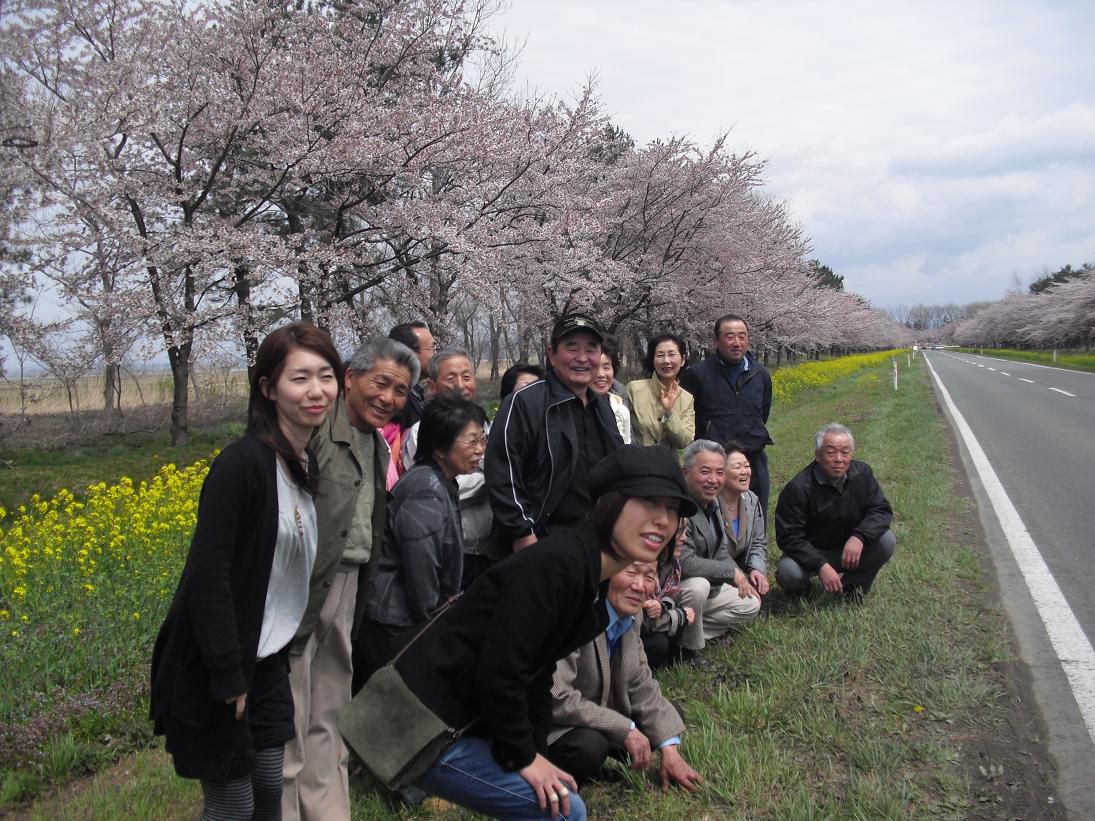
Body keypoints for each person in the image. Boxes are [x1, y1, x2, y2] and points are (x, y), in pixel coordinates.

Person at [375, 445, 698, 821]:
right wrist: (523, 757)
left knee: (555, 796)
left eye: (673, 510)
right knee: (565, 811)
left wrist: (537, 754)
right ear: (610, 503)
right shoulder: (560, 565)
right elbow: (502, 669)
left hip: (461, 720)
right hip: (422, 726)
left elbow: (536, 671)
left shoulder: (586, 574)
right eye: (649, 501)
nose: (663, 519)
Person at [150, 323, 341, 821]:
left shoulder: (302, 462)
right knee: (232, 803)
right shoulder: (241, 466)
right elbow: (208, 577)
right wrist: (228, 674)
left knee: (268, 786)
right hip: (219, 665)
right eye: (300, 378)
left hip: (266, 661)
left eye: (326, 375)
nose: (316, 390)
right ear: (268, 387)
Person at [283, 336, 417, 821]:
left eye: (400, 391)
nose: (388, 398)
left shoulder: (377, 444)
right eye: (380, 383)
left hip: (349, 582)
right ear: (349, 378)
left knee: (330, 707)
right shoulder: (317, 427)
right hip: (304, 584)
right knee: (290, 712)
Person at [358, 394, 488, 678]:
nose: (479, 450)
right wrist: (431, 622)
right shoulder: (425, 489)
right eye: (471, 441)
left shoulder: (440, 480)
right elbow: (421, 566)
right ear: (440, 448)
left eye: (482, 440)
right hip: (394, 619)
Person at [548, 560, 702, 792]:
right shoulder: (576, 614)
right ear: (607, 573)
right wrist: (625, 728)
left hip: (603, 715)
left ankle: (624, 754)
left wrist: (669, 748)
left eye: (649, 576)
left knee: (669, 717)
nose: (639, 585)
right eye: (630, 572)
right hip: (558, 724)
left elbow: (641, 683)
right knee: (590, 747)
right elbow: (557, 698)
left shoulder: (632, 616)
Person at [485, 313, 624, 557]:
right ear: (552, 354)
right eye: (572, 348)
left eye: (591, 350)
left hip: (592, 539)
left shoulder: (602, 407)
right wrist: (522, 534)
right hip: (539, 539)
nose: (582, 358)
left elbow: (617, 467)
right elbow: (502, 471)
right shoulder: (524, 402)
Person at [402, 348, 495, 589]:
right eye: (451, 378)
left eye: (467, 376)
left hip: (487, 547)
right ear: (432, 385)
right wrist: (494, 483)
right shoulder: (423, 431)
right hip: (450, 547)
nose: (461, 385)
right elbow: (443, 488)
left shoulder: (489, 425)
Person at [775, 423, 896, 602]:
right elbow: (789, 536)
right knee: (787, 572)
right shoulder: (798, 489)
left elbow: (881, 510)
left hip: (850, 548)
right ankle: (802, 592)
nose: (839, 459)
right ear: (818, 455)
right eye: (830, 452)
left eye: (845, 452)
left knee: (887, 540)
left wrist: (859, 537)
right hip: (813, 551)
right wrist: (820, 565)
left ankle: (852, 587)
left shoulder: (863, 474)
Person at [677, 440, 762, 667]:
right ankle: (689, 650)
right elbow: (684, 563)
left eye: (719, 472)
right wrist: (729, 573)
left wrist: (739, 575)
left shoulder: (712, 503)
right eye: (705, 472)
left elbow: (721, 550)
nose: (713, 480)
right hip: (671, 590)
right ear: (685, 472)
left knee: (751, 603)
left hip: (706, 592)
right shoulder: (678, 506)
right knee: (698, 586)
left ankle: (681, 630)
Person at [680, 314, 773, 515]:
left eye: (742, 336)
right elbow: (690, 418)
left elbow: (763, 412)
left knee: (756, 516)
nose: (737, 343)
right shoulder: (697, 374)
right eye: (730, 336)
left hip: (752, 457)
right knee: (715, 518)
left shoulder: (760, 374)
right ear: (716, 341)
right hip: (714, 459)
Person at [717, 441, 770, 604]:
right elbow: (714, 553)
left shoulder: (751, 500)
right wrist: (739, 576)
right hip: (717, 573)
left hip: (740, 569)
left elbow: (758, 542)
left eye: (747, 466)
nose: (745, 472)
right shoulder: (710, 505)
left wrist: (756, 569)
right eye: (737, 467)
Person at [384, 321, 436, 481]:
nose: (436, 353)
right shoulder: (396, 401)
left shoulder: (417, 393)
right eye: (432, 348)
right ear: (410, 354)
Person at [640, 522, 695, 670]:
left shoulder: (670, 564)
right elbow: (644, 623)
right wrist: (679, 615)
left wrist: (663, 606)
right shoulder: (646, 565)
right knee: (660, 642)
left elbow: (672, 595)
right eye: (679, 533)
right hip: (633, 634)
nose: (684, 538)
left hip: (652, 623)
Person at [627, 332, 695, 449]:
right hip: (636, 463)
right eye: (660, 355)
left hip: (670, 465)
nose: (666, 360)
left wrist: (669, 412)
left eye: (672, 354)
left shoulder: (686, 399)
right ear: (653, 359)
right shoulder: (634, 389)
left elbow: (684, 442)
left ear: (682, 360)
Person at [590, 334, 631, 444]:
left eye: (606, 367)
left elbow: (626, 449)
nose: (601, 374)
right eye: (594, 367)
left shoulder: (621, 411)